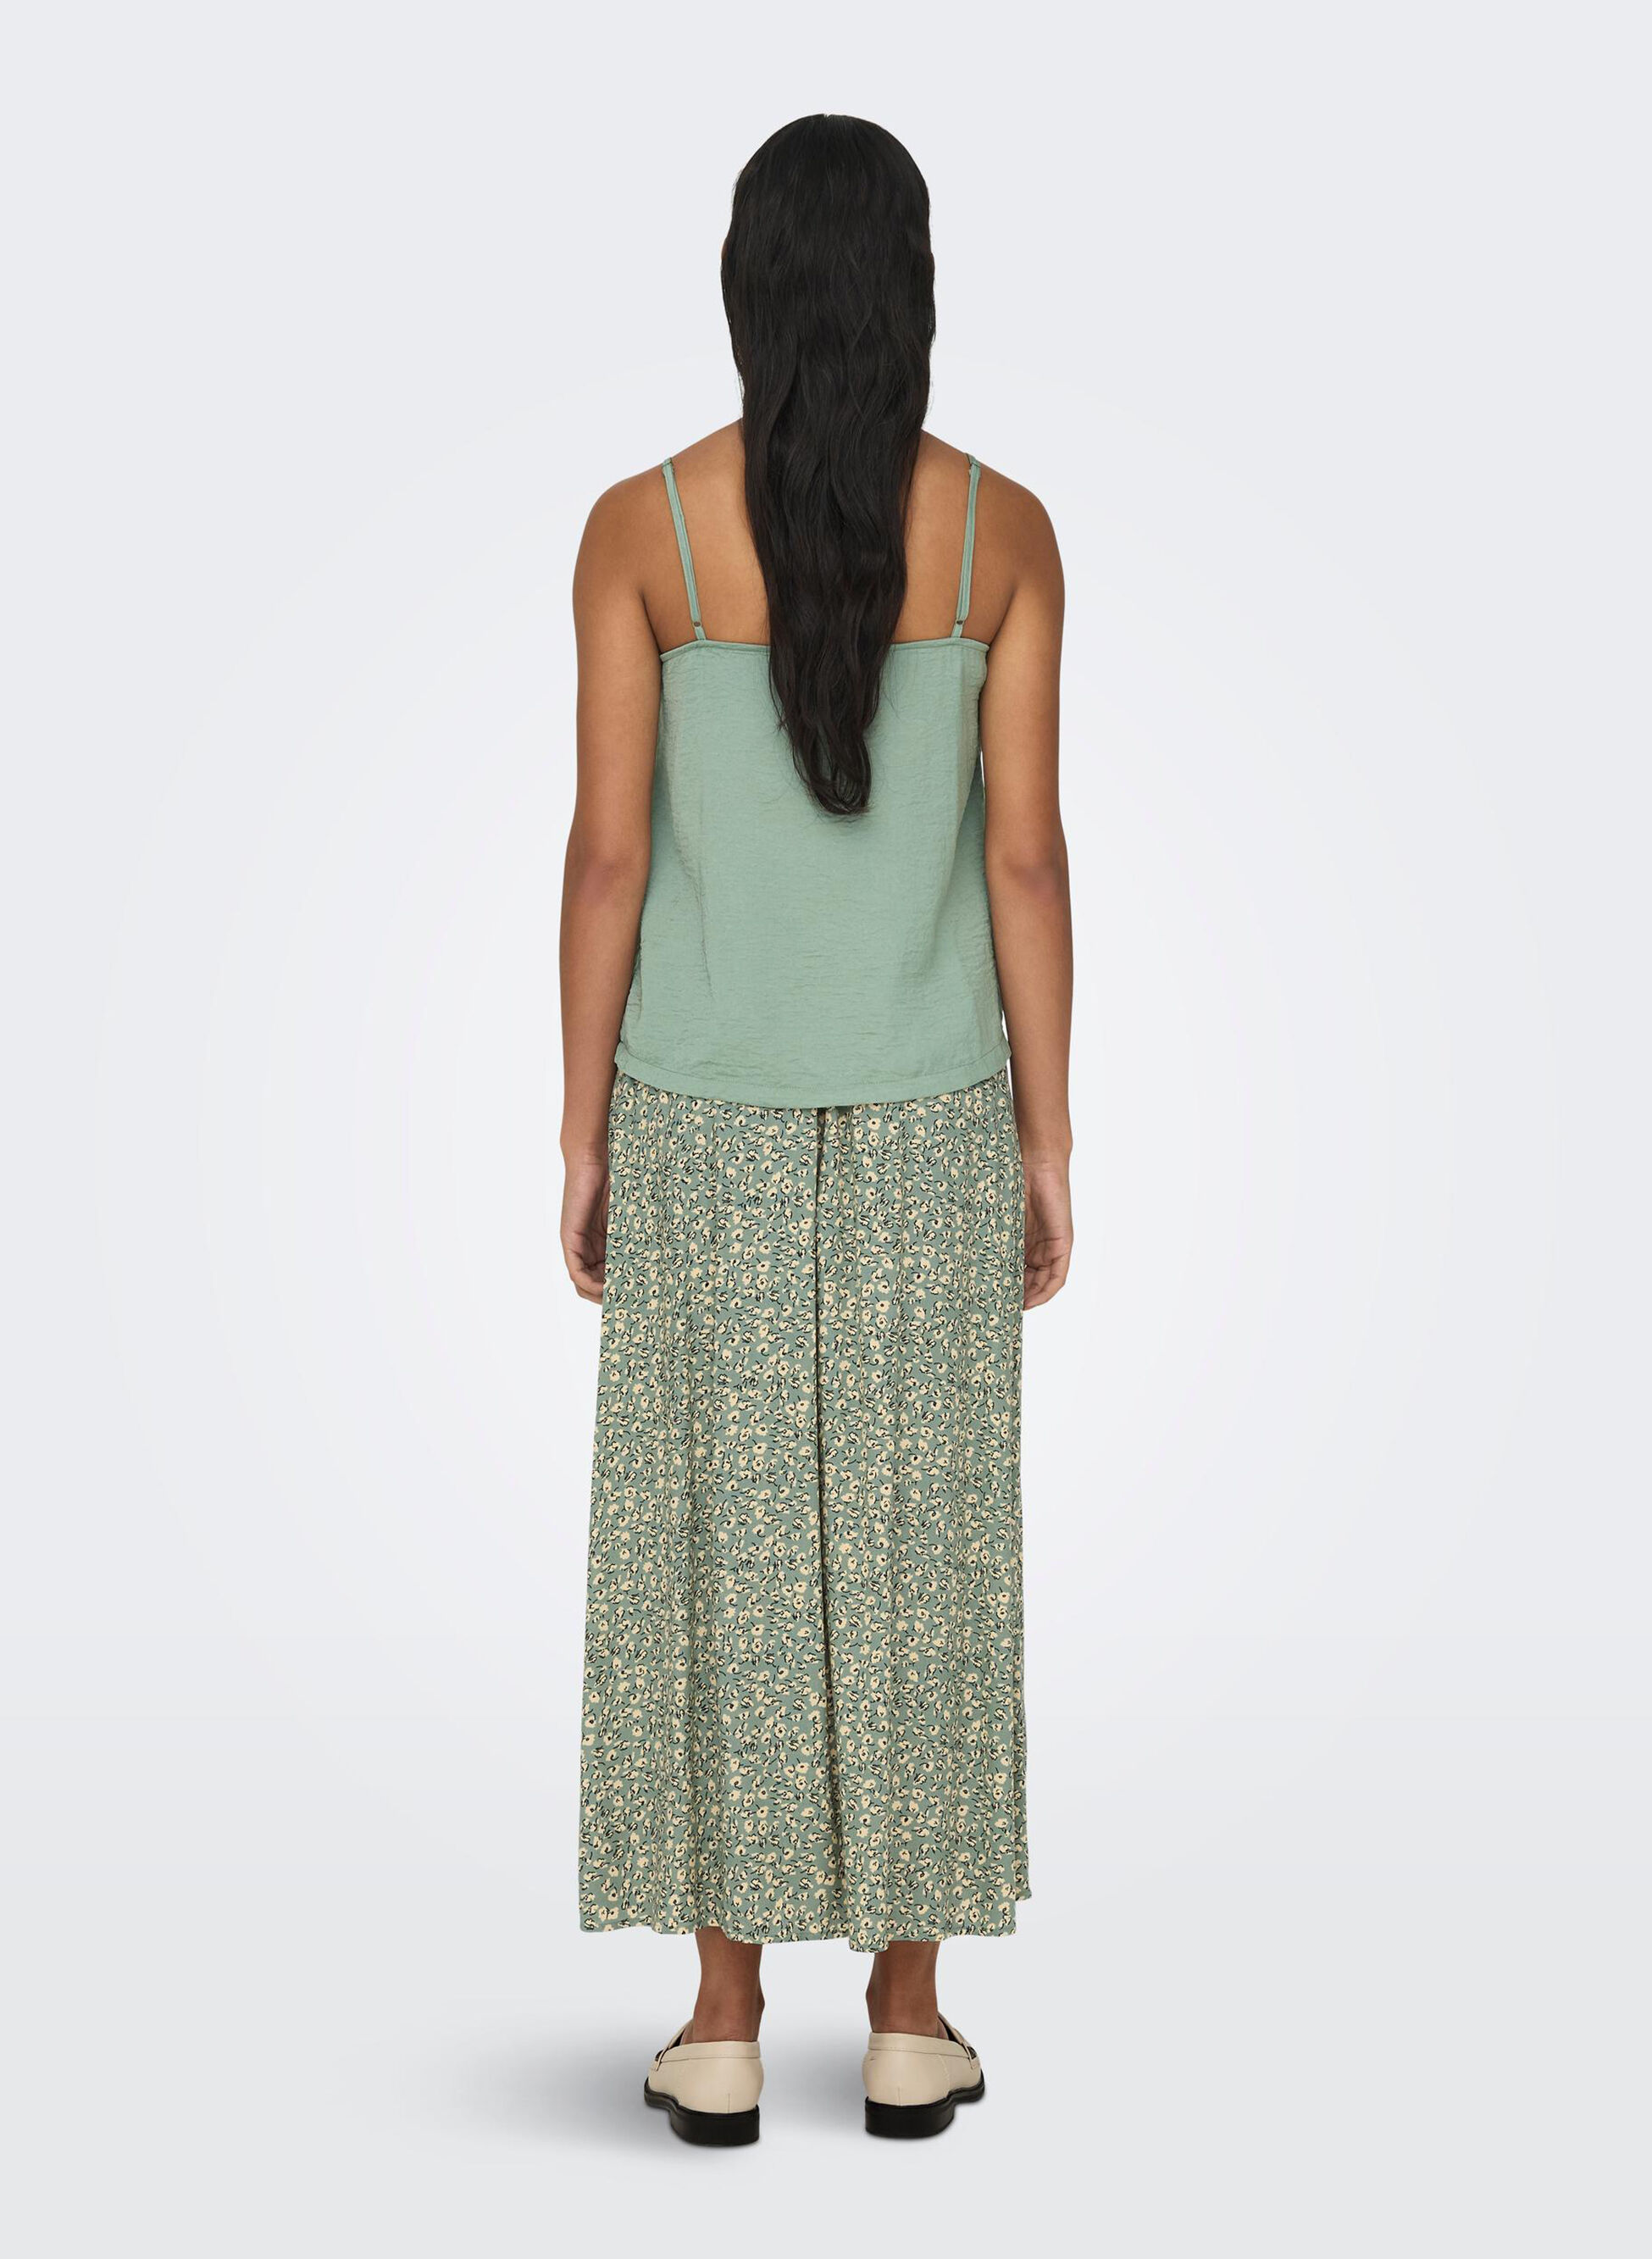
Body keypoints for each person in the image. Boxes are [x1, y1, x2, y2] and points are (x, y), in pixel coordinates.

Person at [560, 114, 1073, 2145]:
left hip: (699, 1113)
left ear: (747, 291)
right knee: (924, 1541)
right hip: (938, 1109)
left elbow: (611, 854)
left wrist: (579, 1125)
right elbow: (1021, 857)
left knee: (719, 1546)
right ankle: (911, 2018)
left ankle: (716, 2020)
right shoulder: (1006, 533)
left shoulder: (645, 533)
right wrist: (1051, 1134)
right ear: (913, 293)